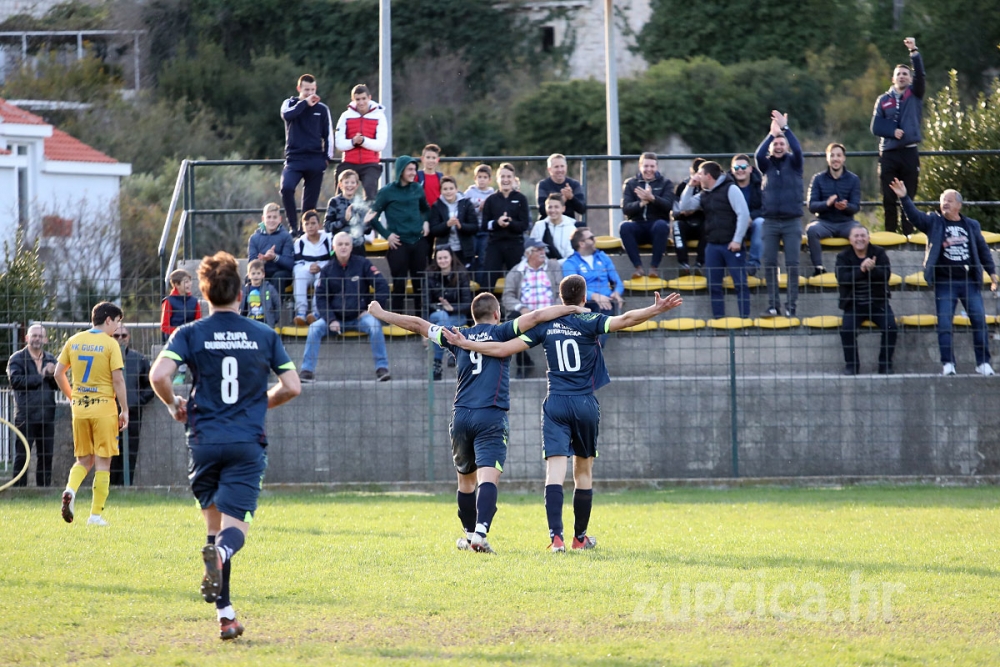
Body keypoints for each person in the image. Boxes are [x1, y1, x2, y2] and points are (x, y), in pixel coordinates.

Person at [443, 276, 683, 551]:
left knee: (554, 472)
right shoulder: (589, 319)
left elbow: (502, 349)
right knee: (583, 472)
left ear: (561, 299)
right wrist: (655, 309)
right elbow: (626, 319)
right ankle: (580, 539)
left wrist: (468, 344)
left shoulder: (546, 327)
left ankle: (555, 538)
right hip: (584, 403)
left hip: (555, 402)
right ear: (583, 299)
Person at [149, 251, 301, 641]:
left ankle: (226, 616)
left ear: (204, 294)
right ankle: (219, 565)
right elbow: (292, 386)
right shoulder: (264, 334)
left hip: (203, 442)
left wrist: (172, 404)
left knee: (214, 531)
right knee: (234, 533)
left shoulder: (189, 332)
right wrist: (257, 403)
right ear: (239, 293)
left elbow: (160, 375)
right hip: (245, 444)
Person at [367, 293, 586, 554]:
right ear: (496, 314)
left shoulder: (457, 335)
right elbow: (537, 316)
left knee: (465, 482)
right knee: (487, 477)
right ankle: (480, 532)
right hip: (490, 415)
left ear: (473, 316)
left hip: (461, 416)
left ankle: (470, 535)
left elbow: (418, 324)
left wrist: (381, 314)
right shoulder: (504, 331)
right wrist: (571, 307)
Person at [889, 178, 999, 375]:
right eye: (942, 201)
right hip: (944, 282)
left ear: (959, 204)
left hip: (968, 281)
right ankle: (948, 364)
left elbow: (982, 249)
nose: (945, 204)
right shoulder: (934, 222)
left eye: (949, 200)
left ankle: (983, 363)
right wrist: (904, 197)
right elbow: (914, 217)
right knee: (945, 323)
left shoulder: (971, 225)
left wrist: (992, 272)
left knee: (979, 322)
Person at [55, 302, 128, 527]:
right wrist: (124, 409)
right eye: (117, 322)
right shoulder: (110, 344)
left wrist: (72, 396)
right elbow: (117, 379)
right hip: (104, 409)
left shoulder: (74, 340)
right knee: (103, 463)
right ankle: (95, 516)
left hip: (80, 409)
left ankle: (70, 490)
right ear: (108, 320)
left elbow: (59, 374)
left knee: (83, 460)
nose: (117, 328)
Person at [299, 232, 392, 382]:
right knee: (314, 328)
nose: (343, 247)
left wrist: (372, 310)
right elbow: (321, 298)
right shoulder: (327, 269)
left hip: (360, 318)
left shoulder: (363, 264)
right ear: (333, 247)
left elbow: (382, 286)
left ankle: (382, 369)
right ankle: (306, 371)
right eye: (340, 244)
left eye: (347, 244)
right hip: (335, 320)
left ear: (351, 247)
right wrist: (330, 320)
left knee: (375, 326)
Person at [679, 160, 752, 320]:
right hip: (713, 245)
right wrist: (690, 186)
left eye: (699, 173)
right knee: (714, 285)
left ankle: (745, 320)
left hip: (732, 244)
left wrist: (737, 240)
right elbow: (684, 207)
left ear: (708, 176)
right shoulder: (704, 193)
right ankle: (719, 321)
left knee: (740, 284)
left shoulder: (731, 189)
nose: (696, 176)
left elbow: (743, 214)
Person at [871, 37, 925, 235]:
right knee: (888, 198)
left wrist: (914, 53)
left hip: (909, 153)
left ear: (909, 79)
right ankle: (890, 236)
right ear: (893, 79)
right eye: (898, 74)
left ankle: (908, 236)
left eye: (905, 74)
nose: (902, 76)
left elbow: (921, 74)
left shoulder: (915, 94)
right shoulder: (883, 100)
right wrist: (892, 131)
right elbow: (875, 126)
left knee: (908, 197)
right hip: (889, 154)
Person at [365, 155, 430, 316]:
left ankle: (421, 323)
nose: (413, 172)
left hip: (418, 241)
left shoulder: (417, 188)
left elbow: (426, 209)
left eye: (414, 169)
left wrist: (426, 222)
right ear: (401, 170)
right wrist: (387, 235)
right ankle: (397, 321)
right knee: (399, 283)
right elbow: (372, 217)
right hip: (398, 244)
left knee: (420, 283)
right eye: (409, 169)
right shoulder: (387, 191)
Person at [756, 109, 805, 318]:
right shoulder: (766, 165)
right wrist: (771, 134)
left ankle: (791, 306)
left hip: (791, 221)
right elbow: (758, 155)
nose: (778, 146)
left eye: (781, 143)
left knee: (792, 265)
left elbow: (798, 150)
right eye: (775, 144)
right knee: (769, 264)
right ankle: (773, 305)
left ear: (786, 146)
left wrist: (785, 129)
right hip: (770, 222)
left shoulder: (794, 163)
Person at [835, 226, 897, 375]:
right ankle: (852, 365)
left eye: (863, 236)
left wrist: (872, 269)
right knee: (847, 330)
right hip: (853, 305)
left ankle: (885, 365)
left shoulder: (879, 253)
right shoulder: (843, 256)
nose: (860, 239)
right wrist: (861, 270)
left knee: (891, 328)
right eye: (856, 236)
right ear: (850, 240)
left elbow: (886, 276)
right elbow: (842, 279)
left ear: (868, 238)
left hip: (878, 303)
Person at [280, 74, 334, 235]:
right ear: (299, 89)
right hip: (294, 159)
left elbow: (328, 134)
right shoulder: (290, 103)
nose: (310, 93)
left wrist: (327, 158)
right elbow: (287, 115)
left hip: (315, 160)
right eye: (306, 90)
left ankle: (306, 233)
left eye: (312, 89)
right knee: (286, 188)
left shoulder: (322, 109)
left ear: (316, 89)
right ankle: (293, 227)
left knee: (309, 205)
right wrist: (304, 103)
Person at [6, 324, 58, 487]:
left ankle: (44, 490)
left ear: (45, 339)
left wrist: (53, 374)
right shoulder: (17, 358)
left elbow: (59, 385)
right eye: (33, 336)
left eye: (40, 336)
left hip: (47, 416)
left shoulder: (51, 358)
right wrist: (42, 375)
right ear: (27, 338)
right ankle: (19, 490)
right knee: (22, 455)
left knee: (46, 455)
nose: (37, 339)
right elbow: (15, 382)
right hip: (25, 416)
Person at [502, 239, 562, 378]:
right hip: (527, 315)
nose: (543, 253)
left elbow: (561, 292)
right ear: (528, 253)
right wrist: (521, 308)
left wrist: (553, 309)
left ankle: (558, 368)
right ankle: (524, 362)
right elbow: (507, 296)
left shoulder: (553, 266)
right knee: (511, 322)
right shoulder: (517, 271)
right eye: (538, 250)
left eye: (543, 249)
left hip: (551, 313)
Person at [806, 143, 862, 276]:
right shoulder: (818, 179)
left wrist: (846, 207)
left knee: (861, 231)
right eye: (832, 155)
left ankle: (859, 267)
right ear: (827, 158)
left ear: (843, 158)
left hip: (846, 222)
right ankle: (819, 268)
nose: (835, 159)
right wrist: (827, 204)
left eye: (838, 155)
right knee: (811, 230)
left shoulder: (853, 179)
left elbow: (856, 207)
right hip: (825, 222)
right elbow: (811, 206)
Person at [562, 227, 624, 344]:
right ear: (582, 243)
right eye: (591, 238)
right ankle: (594, 346)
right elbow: (573, 288)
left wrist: (617, 292)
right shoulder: (570, 263)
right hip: (585, 301)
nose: (595, 240)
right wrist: (594, 296)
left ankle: (595, 346)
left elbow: (617, 282)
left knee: (607, 307)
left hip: (607, 301)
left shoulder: (603, 257)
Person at [110, 324, 154, 486]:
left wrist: (137, 402)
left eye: (124, 335)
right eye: (116, 336)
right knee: (109, 452)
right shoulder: (104, 358)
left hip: (133, 414)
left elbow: (150, 386)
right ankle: (110, 487)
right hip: (109, 412)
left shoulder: (139, 359)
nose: (120, 339)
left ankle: (126, 487)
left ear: (128, 337)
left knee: (130, 451)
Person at [620, 152, 675, 279]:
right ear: (640, 167)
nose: (649, 169)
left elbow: (669, 205)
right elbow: (626, 208)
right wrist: (642, 203)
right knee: (624, 227)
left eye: (652, 166)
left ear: (657, 167)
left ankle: (653, 268)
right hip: (637, 224)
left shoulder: (666, 183)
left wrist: (652, 198)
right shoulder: (630, 183)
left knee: (661, 225)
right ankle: (638, 268)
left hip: (657, 225)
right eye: (646, 166)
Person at [482, 162, 531, 290]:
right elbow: (484, 225)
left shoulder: (521, 199)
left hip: (515, 243)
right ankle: (486, 309)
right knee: (486, 282)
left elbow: (524, 225)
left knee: (519, 282)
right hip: (495, 243)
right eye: (502, 176)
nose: (505, 180)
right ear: (497, 179)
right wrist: (497, 223)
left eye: (509, 176)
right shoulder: (491, 200)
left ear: (513, 179)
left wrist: (510, 223)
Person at [334, 84, 388, 200]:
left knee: (370, 191)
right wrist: (353, 142)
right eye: (358, 99)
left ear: (369, 97)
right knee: (340, 194)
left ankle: (370, 217)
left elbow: (380, 144)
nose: (361, 102)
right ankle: (338, 217)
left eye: (364, 99)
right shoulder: (345, 116)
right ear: (353, 100)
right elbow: (339, 143)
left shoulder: (379, 116)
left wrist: (363, 141)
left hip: (370, 163)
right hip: (349, 161)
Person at [425, 247, 472, 380]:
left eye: (445, 257)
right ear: (436, 259)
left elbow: (467, 304)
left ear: (451, 258)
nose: (443, 261)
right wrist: (441, 307)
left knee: (442, 325)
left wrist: (452, 308)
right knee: (442, 317)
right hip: (436, 314)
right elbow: (425, 302)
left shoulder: (461, 274)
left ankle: (437, 364)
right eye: (440, 258)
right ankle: (451, 352)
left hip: (458, 316)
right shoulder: (430, 274)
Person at [292, 210, 333, 326]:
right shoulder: (299, 243)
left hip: (324, 269)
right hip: (307, 268)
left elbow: (333, 260)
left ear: (319, 225)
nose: (310, 226)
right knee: (299, 276)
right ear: (303, 227)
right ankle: (301, 312)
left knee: (321, 280)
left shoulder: (328, 239)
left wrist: (321, 267)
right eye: (307, 224)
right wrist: (308, 268)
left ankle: (316, 312)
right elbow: (298, 264)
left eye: (313, 223)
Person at [428, 175, 479, 268]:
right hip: (444, 250)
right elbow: (434, 230)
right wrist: (447, 224)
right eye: (445, 189)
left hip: (464, 250)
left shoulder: (466, 204)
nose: (448, 192)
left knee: (464, 277)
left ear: (456, 189)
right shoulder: (437, 206)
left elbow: (474, 227)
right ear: (441, 191)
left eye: (451, 188)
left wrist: (461, 226)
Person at [247, 202, 295, 298]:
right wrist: (262, 260)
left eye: (274, 217)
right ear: (263, 219)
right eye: (269, 217)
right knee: (249, 278)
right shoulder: (254, 238)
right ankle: (249, 310)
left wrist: (275, 257)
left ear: (280, 219)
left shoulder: (286, 236)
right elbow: (251, 262)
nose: (271, 220)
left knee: (278, 277)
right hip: (261, 271)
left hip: (281, 273)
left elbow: (290, 263)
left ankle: (274, 310)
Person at [729, 154, 764, 276]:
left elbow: (765, 207)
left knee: (760, 223)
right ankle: (737, 262)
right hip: (734, 223)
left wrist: (750, 217)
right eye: (736, 168)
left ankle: (753, 263)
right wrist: (742, 220)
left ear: (750, 168)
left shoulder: (760, 184)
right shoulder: (727, 186)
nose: (740, 170)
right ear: (732, 170)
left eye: (743, 166)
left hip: (753, 222)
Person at [671, 158, 706, 275]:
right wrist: (682, 213)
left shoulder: (709, 186)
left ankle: (699, 264)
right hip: (685, 222)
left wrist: (699, 208)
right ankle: (683, 264)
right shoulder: (682, 186)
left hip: (703, 223)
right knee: (676, 225)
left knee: (710, 225)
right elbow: (674, 212)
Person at [324, 168, 371, 256]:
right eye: (346, 182)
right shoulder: (334, 202)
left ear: (357, 185)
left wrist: (367, 222)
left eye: (353, 182)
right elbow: (327, 227)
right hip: (340, 246)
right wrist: (344, 220)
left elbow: (367, 231)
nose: (350, 185)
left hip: (357, 245)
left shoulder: (361, 203)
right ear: (340, 185)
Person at [464, 164, 495, 286]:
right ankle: (468, 284)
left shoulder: (492, 194)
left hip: (485, 231)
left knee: (483, 258)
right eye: (479, 177)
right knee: (470, 258)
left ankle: (480, 284)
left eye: (485, 177)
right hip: (472, 230)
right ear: (475, 178)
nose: (482, 180)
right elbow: (464, 210)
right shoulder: (469, 193)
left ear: (489, 180)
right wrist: (477, 208)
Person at [535, 153, 586, 223]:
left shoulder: (574, 184)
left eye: (562, 166)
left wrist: (571, 197)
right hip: (548, 223)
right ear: (549, 169)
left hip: (569, 223)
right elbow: (542, 210)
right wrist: (561, 200)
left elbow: (582, 209)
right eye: (556, 167)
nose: (560, 170)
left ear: (566, 167)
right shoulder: (543, 185)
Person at [529, 194, 576, 263]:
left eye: (556, 207)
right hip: (542, 267)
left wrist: (556, 263)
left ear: (563, 209)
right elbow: (532, 249)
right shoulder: (539, 226)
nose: (553, 210)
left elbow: (571, 254)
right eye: (550, 207)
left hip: (565, 267)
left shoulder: (572, 228)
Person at [161, 269, 201, 341]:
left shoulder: (194, 301)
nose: (190, 284)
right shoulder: (168, 301)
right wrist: (181, 333)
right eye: (186, 282)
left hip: (191, 338)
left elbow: (198, 322)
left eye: (190, 281)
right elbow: (165, 326)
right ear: (177, 285)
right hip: (174, 339)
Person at [239, 260, 281, 328]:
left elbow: (277, 303)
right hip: (250, 324)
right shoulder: (245, 289)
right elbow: (241, 306)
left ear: (263, 275)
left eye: (258, 273)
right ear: (249, 275)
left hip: (266, 324)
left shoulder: (269, 288)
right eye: (253, 273)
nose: (256, 276)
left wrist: (274, 319)